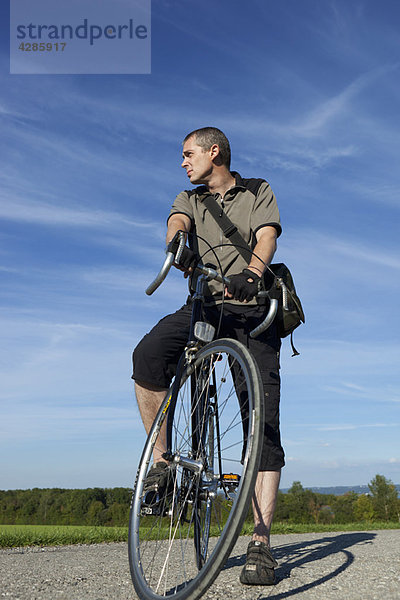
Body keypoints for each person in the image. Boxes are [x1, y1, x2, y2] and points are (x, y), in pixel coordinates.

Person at [132, 127, 283, 586]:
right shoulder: (190, 198)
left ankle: (259, 541)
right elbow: (176, 221)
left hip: (250, 308)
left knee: (261, 418)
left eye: (188, 153)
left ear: (213, 152)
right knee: (148, 356)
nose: (183, 162)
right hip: (204, 303)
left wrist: (253, 275)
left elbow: (266, 237)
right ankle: (164, 464)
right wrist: (175, 242)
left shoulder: (256, 190)